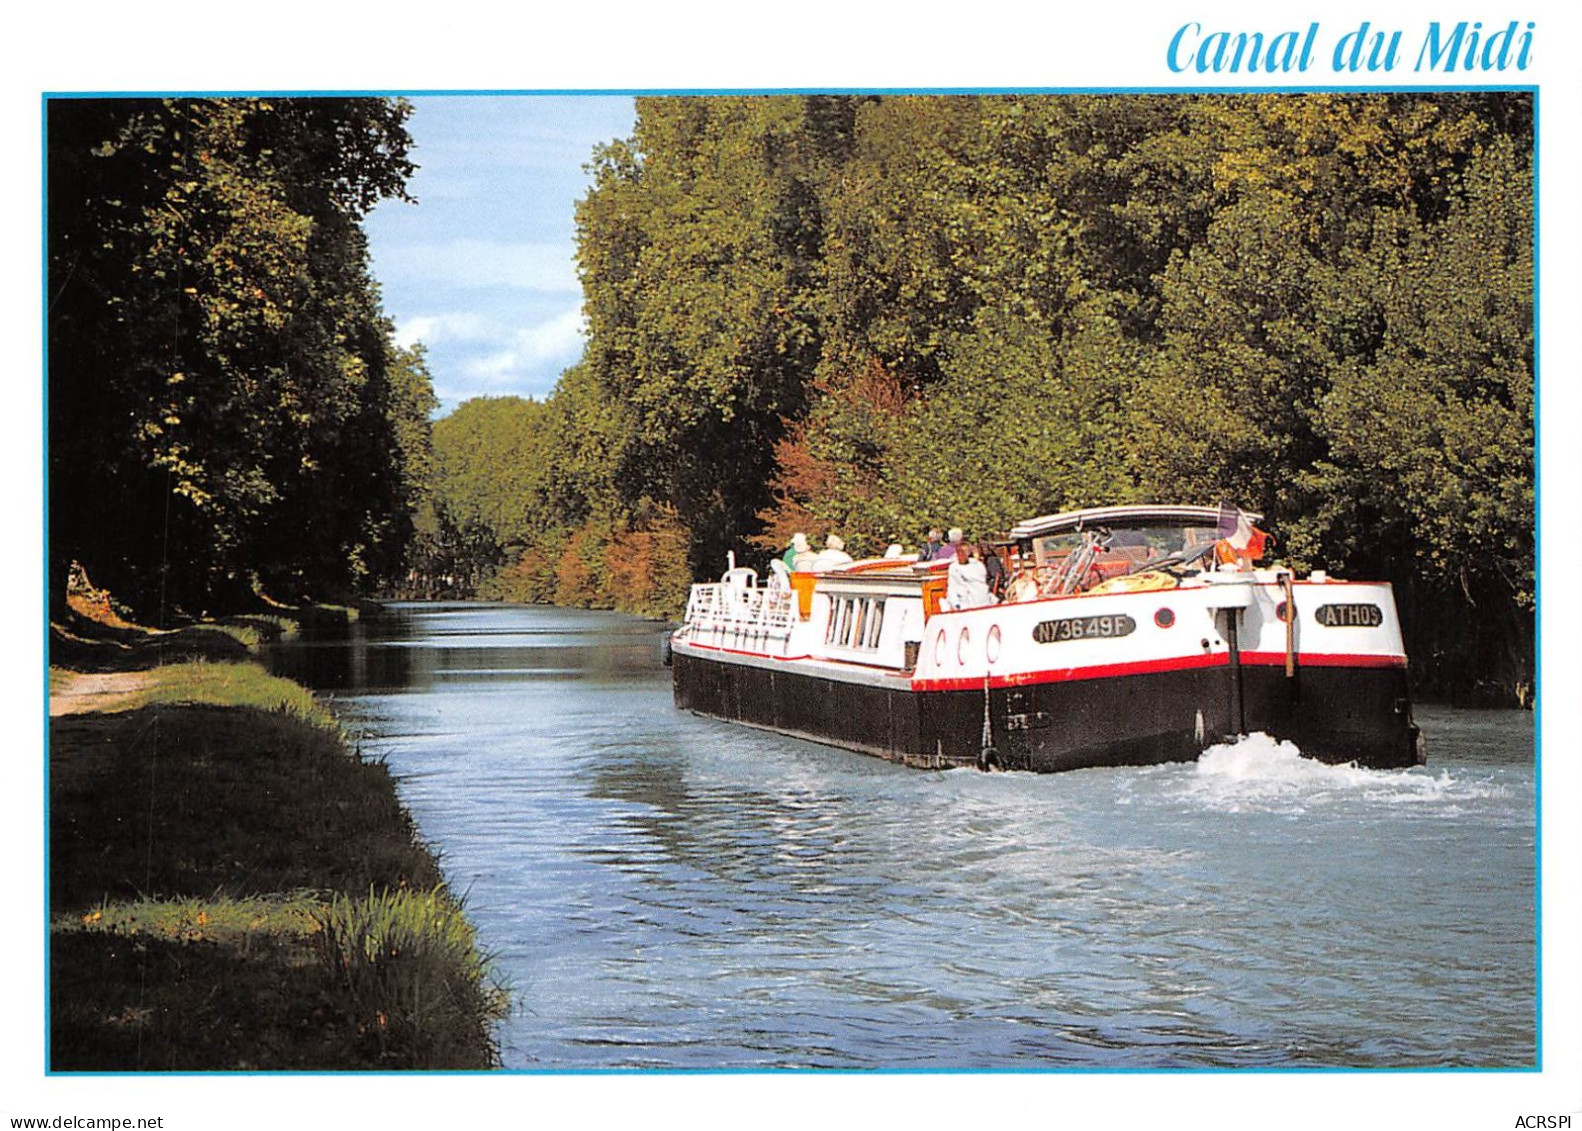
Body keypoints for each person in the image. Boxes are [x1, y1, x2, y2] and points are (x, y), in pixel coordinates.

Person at [946, 542, 995, 609]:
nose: (962, 554)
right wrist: (955, 602)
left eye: (965, 552)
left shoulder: (977, 565)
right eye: (960, 552)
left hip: (980, 598)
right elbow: (952, 587)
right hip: (963, 600)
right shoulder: (954, 567)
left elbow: (981, 581)